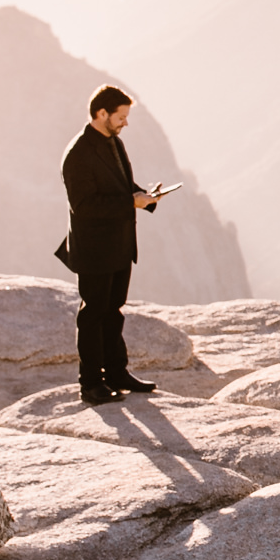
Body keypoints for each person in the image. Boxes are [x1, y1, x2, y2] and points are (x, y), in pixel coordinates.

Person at [59, 85, 174, 405]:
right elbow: (84, 206)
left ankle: (117, 373)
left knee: (113, 311)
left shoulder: (115, 143)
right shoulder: (78, 153)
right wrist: (130, 202)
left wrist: (145, 198)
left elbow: (124, 187)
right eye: (121, 117)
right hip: (94, 248)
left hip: (120, 244)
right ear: (102, 114)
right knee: (93, 314)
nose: (125, 123)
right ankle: (91, 383)